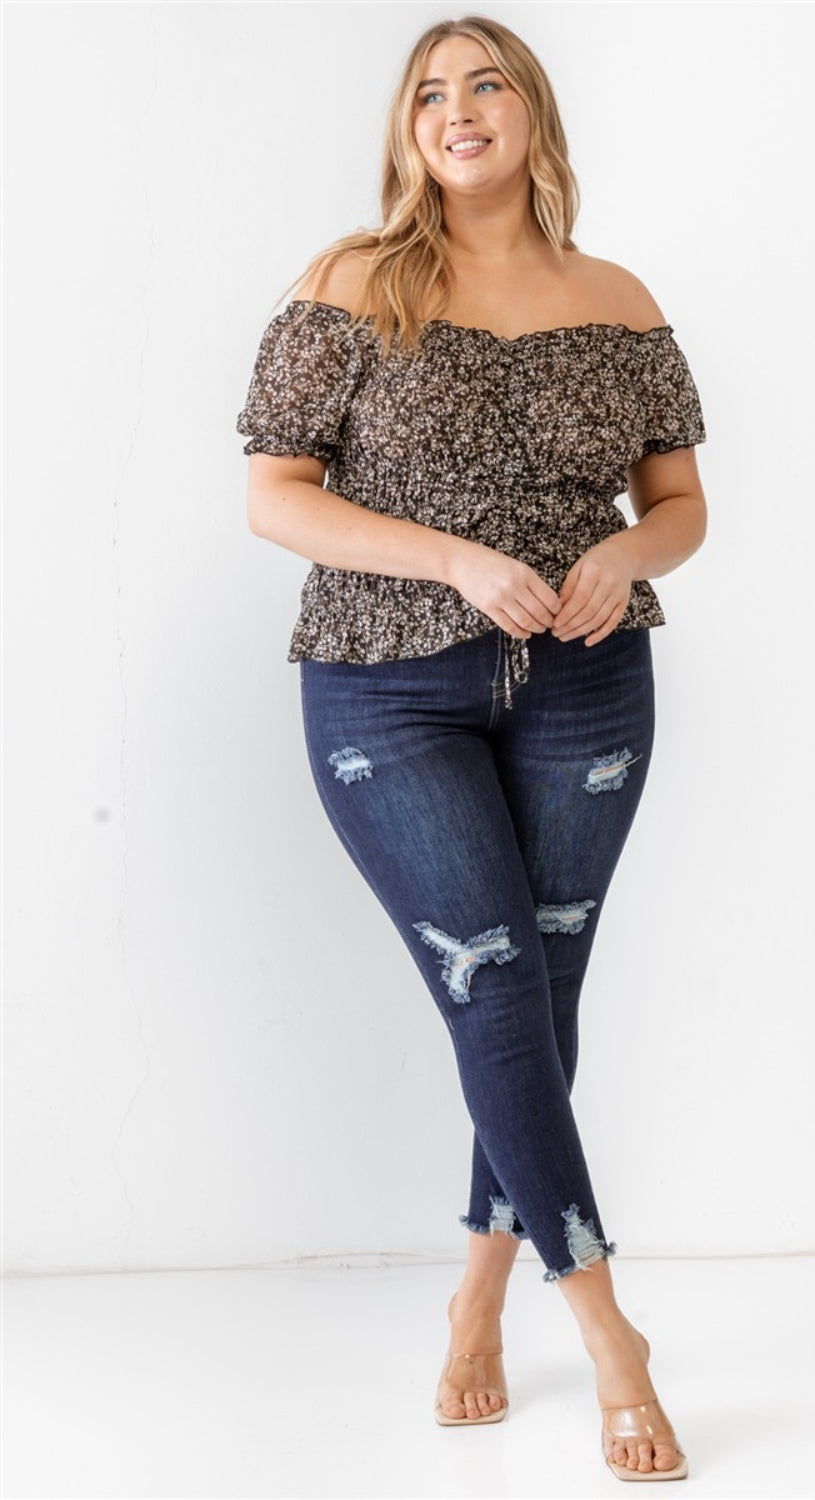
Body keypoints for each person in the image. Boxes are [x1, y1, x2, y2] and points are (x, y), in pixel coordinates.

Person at [236, 13, 707, 1482]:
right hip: (387, 694)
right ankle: (614, 1334)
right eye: (430, 91)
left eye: (486, 81)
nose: (459, 108)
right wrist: (452, 561)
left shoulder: (618, 300)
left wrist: (628, 557)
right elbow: (276, 497)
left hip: (588, 689)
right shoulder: (353, 284)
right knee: (495, 992)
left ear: (532, 117)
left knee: (537, 1006)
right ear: (407, 133)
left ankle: (479, 1302)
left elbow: (682, 506)